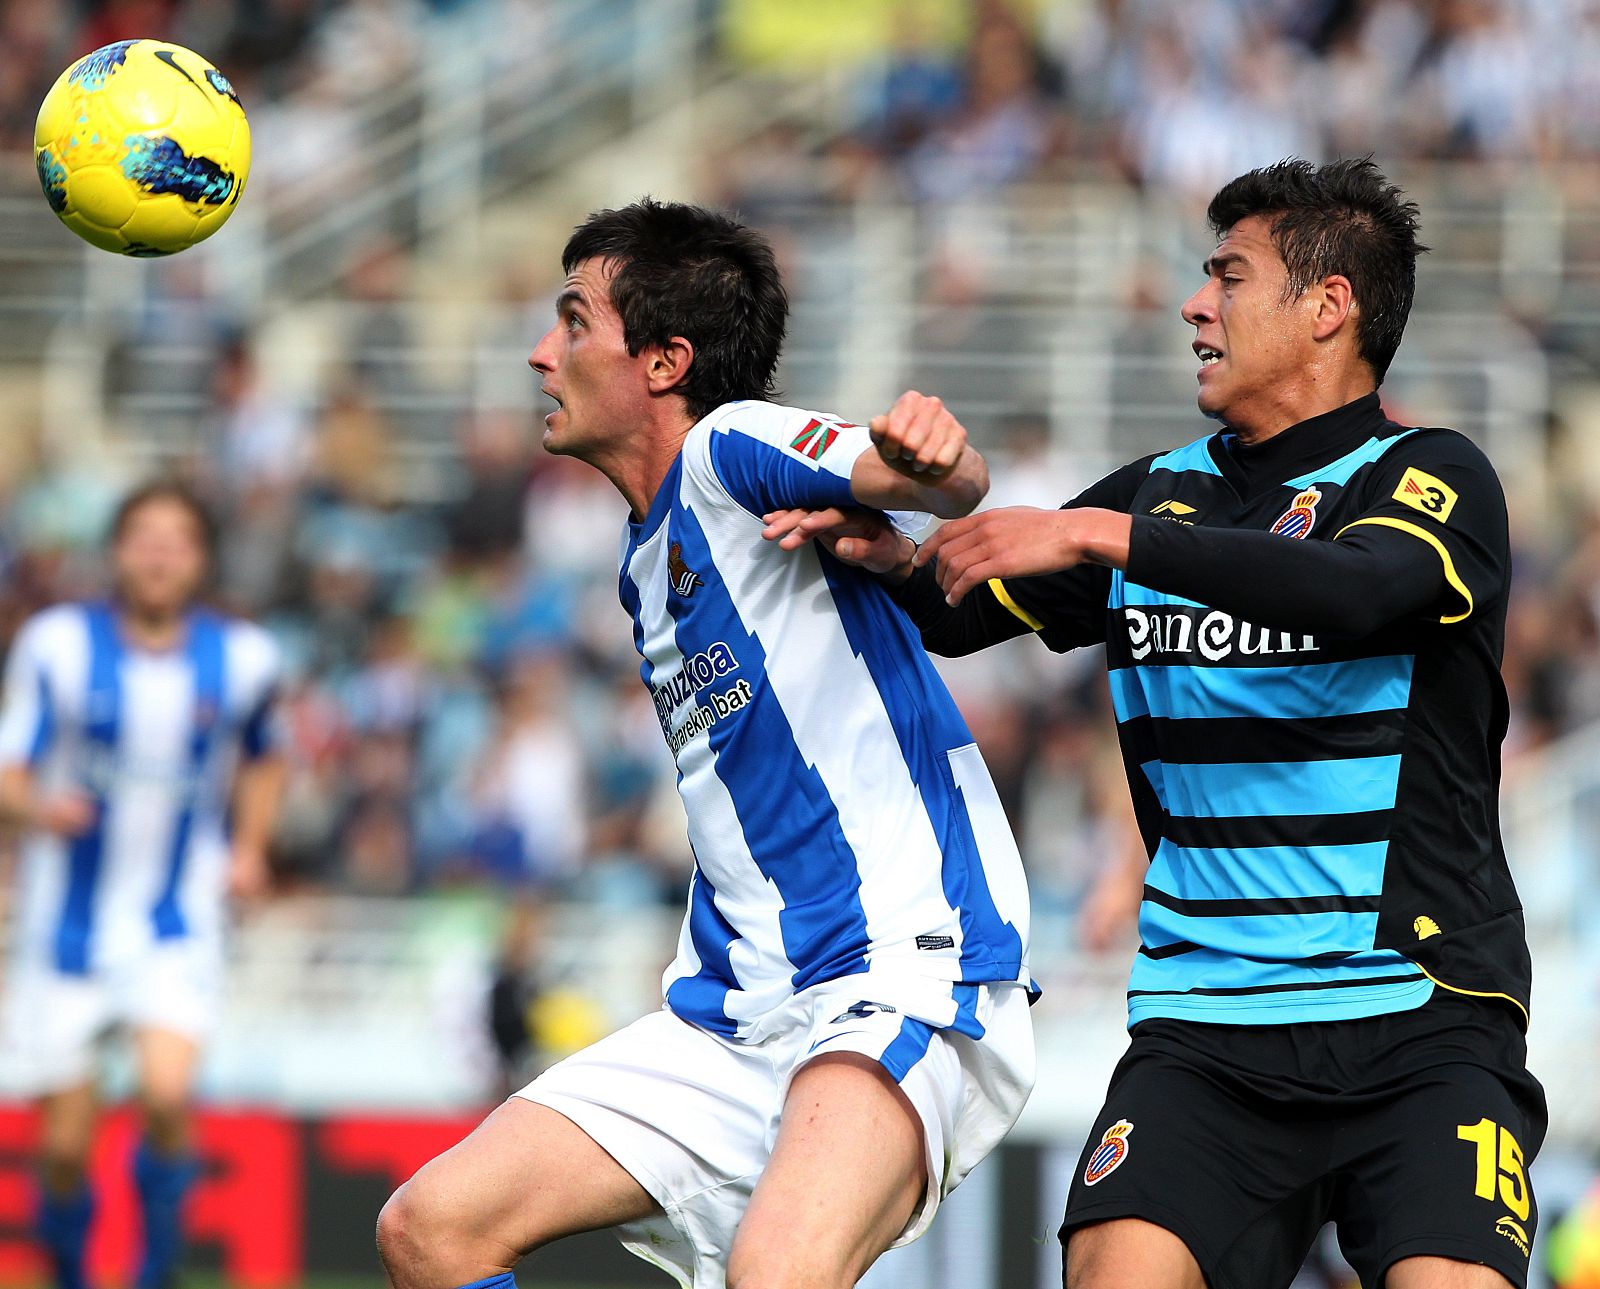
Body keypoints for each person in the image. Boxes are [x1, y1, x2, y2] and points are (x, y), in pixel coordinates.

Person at [766, 158, 1545, 1288]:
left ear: (1326, 308)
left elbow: (1359, 589)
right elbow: (951, 612)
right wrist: (885, 553)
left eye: (1229, 276)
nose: (1196, 303)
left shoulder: (1430, 473)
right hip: (1207, 1034)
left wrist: (1098, 536)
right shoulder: (1160, 491)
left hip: (1424, 1023)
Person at [374, 199, 1035, 1289]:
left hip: (894, 970)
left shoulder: (729, 447)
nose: (542, 353)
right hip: (731, 1012)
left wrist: (941, 466)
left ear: (665, 360)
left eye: (573, 321)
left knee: (776, 1273)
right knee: (430, 1227)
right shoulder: (643, 556)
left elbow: (919, 475)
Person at [0, 481, 285, 1289]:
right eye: (143, 535)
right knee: (61, 1148)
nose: (159, 552)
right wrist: (35, 805)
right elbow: (8, 769)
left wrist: (251, 847)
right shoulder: (55, 644)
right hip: (66, 926)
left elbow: (269, 753)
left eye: (177, 538)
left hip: (175, 921)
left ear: (198, 559)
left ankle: (153, 1272)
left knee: (166, 1095)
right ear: (118, 550)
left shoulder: (242, 658)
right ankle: (69, 1272)